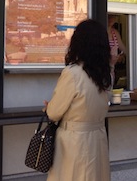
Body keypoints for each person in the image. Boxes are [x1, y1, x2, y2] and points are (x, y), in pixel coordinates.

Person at [44, 19, 111, 181]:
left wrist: (48, 107)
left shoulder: (72, 73)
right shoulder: (104, 75)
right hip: (98, 139)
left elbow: (53, 113)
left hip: (74, 142)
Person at [108, 15, 127, 88]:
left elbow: (122, 48)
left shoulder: (115, 32)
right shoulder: (101, 31)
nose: (112, 19)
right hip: (102, 67)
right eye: (110, 16)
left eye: (114, 17)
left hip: (112, 67)